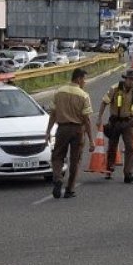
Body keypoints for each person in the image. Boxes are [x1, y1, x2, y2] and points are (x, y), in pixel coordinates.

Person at [45, 67, 94, 200]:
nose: (85, 82)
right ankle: (69, 190)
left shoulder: (59, 92)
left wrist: (48, 132)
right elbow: (87, 120)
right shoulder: (84, 95)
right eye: (84, 79)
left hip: (62, 129)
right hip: (78, 131)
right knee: (75, 160)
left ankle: (57, 178)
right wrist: (91, 140)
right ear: (78, 79)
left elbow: (53, 114)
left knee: (57, 156)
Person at [95, 69, 133, 183]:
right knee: (112, 146)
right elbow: (104, 102)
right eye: (130, 79)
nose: (132, 82)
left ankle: (128, 174)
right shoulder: (115, 88)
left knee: (130, 148)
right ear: (125, 78)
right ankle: (109, 169)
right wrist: (99, 117)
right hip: (115, 122)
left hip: (128, 122)